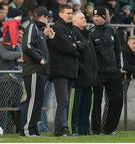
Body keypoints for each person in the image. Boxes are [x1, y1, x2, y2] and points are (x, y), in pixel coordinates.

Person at [48, 4, 82, 136]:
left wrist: (74, 46)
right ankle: (62, 128)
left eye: (71, 13)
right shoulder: (58, 27)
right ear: (61, 14)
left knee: (65, 102)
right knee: (63, 101)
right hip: (60, 71)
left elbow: (79, 44)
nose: (70, 15)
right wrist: (75, 47)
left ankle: (60, 129)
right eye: (68, 13)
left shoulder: (71, 29)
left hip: (69, 70)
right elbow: (66, 47)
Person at [20, 6, 55, 137]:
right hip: (33, 70)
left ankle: (33, 128)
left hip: (40, 71)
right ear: (43, 17)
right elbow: (27, 46)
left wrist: (47, 37)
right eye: (47, 17)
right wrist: (40, 59)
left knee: (38, 101)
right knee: (33, 100)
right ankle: (27, 128)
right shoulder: (32, 27)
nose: (48, 20)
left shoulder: (39, 30)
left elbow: (37, 45)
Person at [89, 6, 123, 135]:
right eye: (94, 16)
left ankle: (109, 129)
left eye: (98, 16)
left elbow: (118, 50)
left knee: (117, 99)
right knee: (97, 102)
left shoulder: (113, 30)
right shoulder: (90, 32)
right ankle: (96, 130)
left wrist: (119, 68)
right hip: (98, 73)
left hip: (113, 72)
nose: (96, 18)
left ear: (104, 17)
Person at [71, 11, 97, 136]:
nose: (84, 19)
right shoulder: (73, 33)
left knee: (86, 106)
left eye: (84, 17)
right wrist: (83, 70)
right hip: (79, 78)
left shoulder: (87, 34)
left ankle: (84, 129)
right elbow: (75, 56)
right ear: (74, 21)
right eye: (81, 18)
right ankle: (74, 129)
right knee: (76, 106)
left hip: (89, 78)